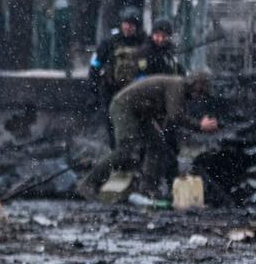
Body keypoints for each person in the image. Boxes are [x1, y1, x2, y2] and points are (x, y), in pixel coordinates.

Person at [76, 72, 220, 202]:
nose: (199, 97)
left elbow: (161, 110)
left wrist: (157, 128)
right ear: (194, 86)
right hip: (125, 108)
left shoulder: (179, 89)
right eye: (200, 92)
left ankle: (148, 189)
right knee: (125, 150)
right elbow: (175, 115)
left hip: (142, 114)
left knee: (158, 147)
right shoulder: (177, 86)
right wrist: (200, 125)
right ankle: (88, 184)